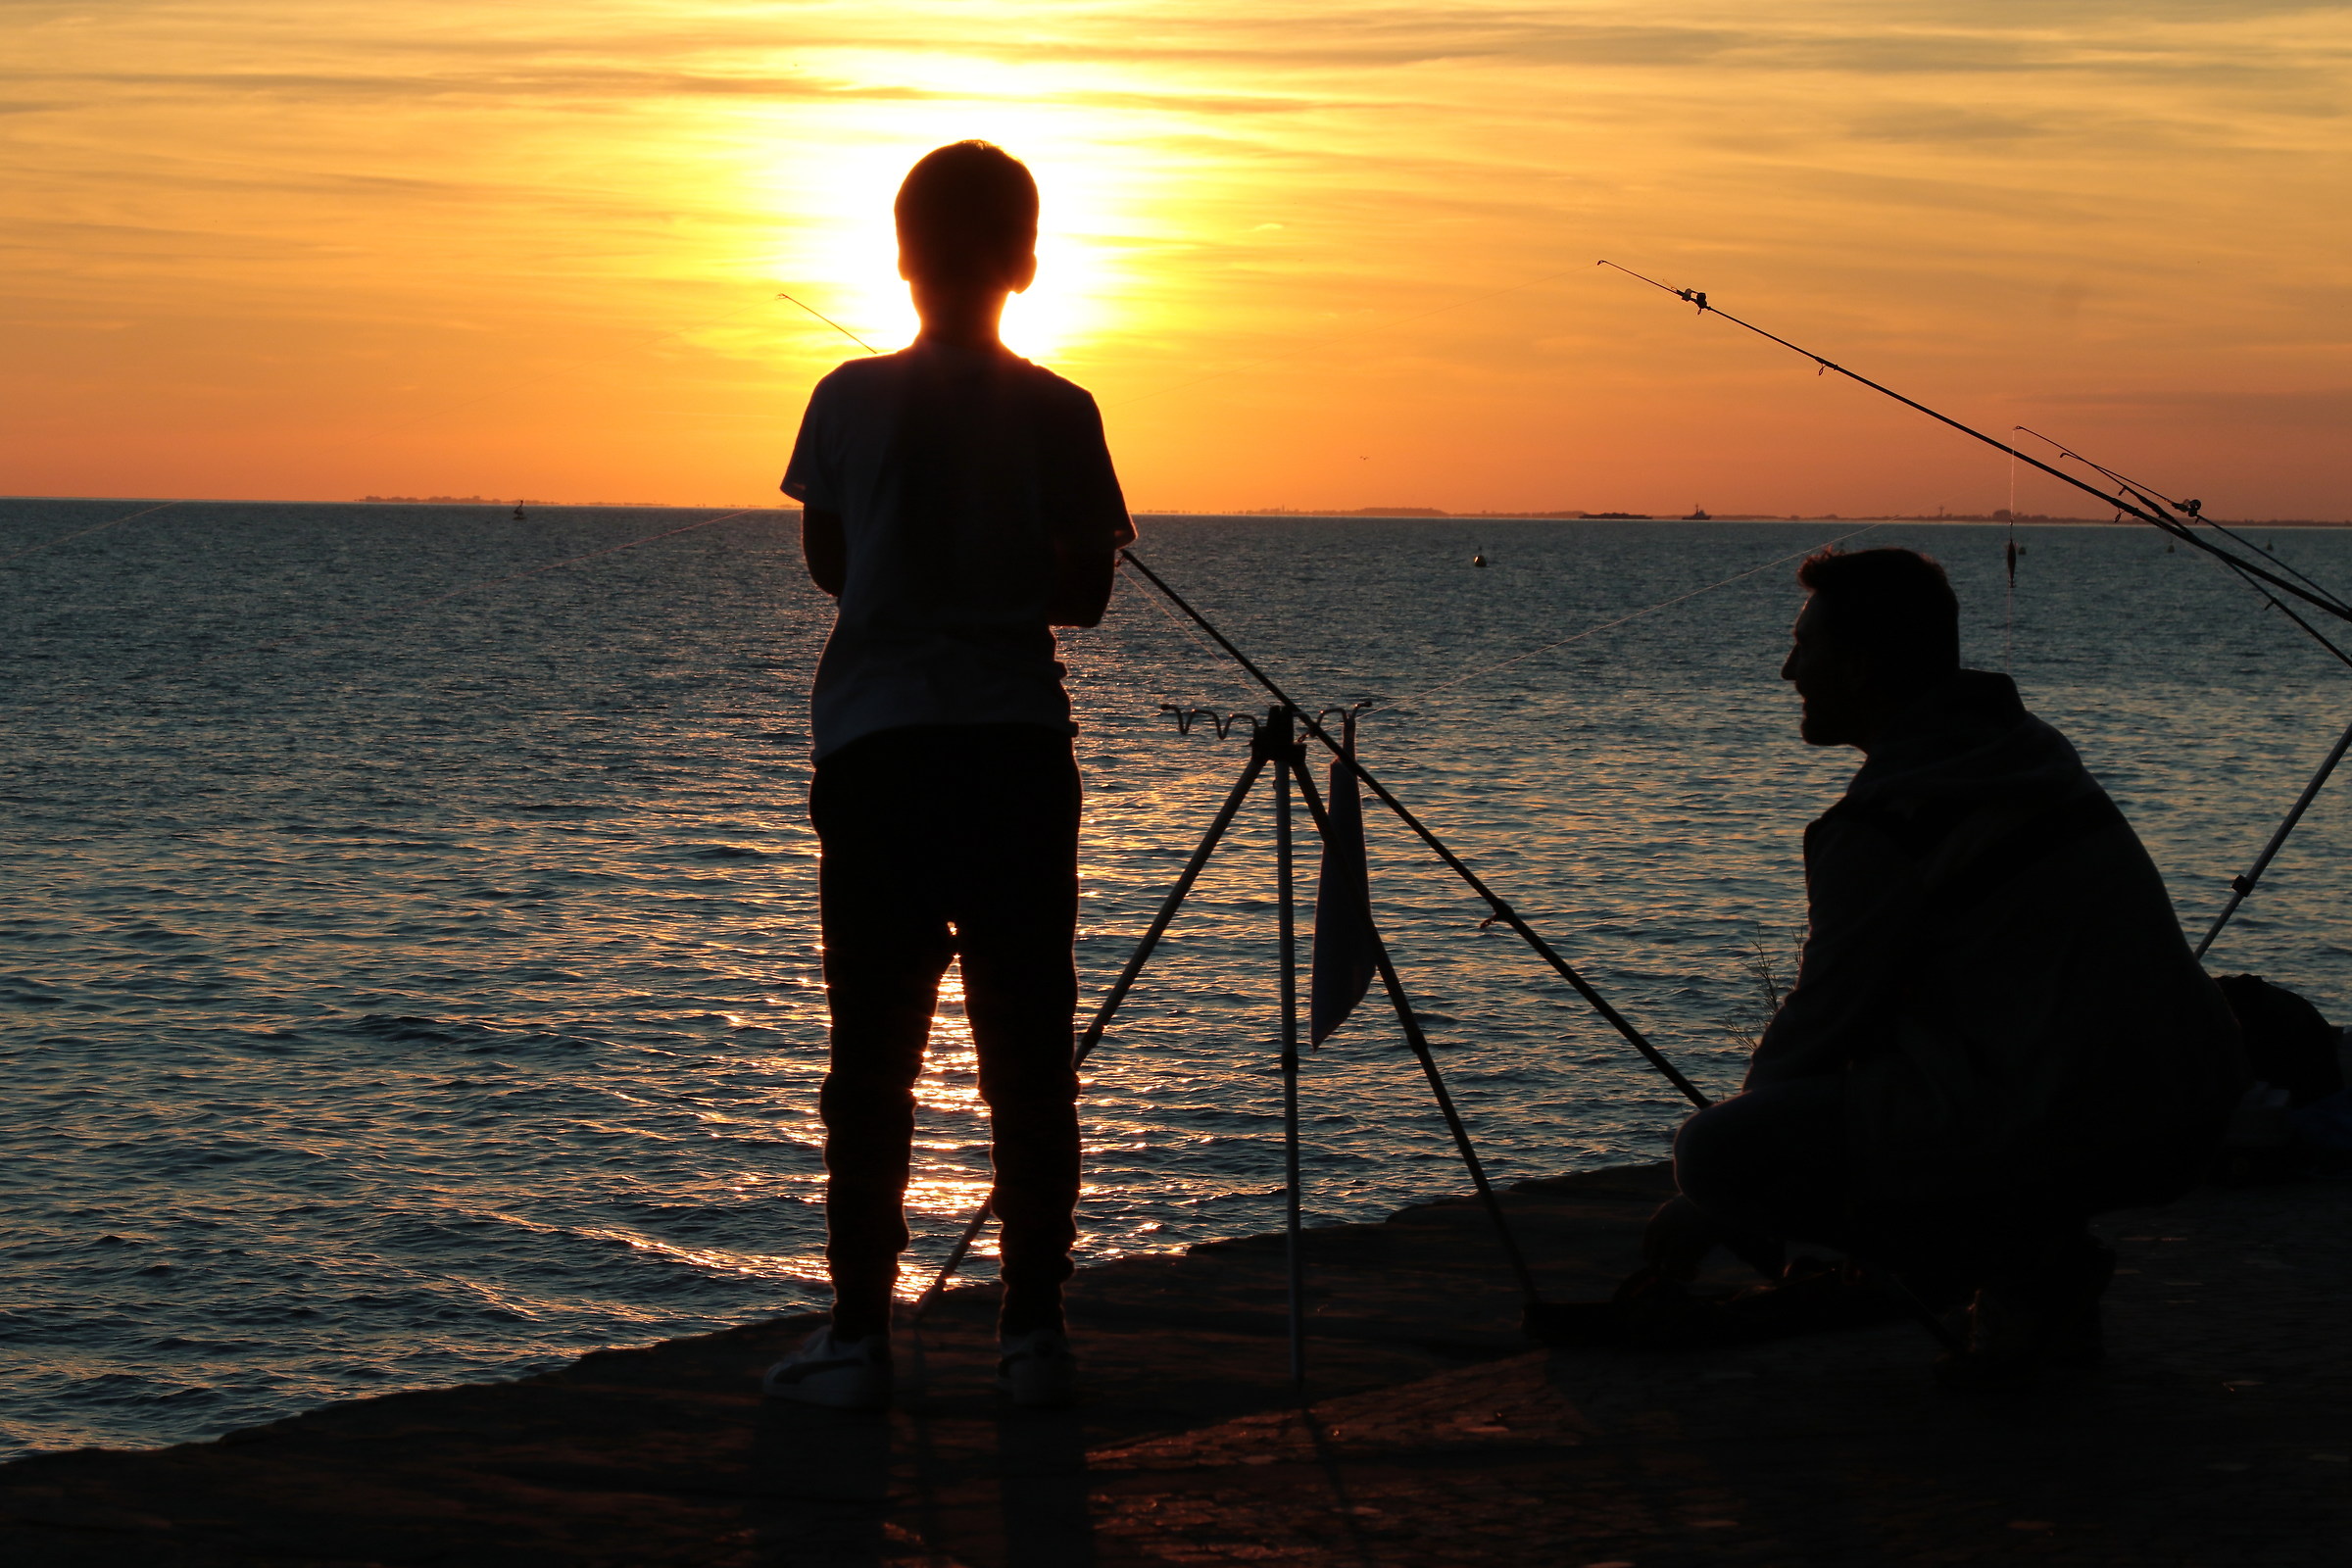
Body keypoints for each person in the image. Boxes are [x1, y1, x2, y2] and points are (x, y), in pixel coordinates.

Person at [1647, 547, 2243, 1383]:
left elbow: (1820, 1023)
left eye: (1804, 648)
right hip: (2193, 1101)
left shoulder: (1884, 826)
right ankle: (2026, 1265)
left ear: (1861, 667)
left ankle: (2004, 1270)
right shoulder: (2034, 756)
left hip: (2072, 1121)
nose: (1787, 672)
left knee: (1717, 1151)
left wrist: (1711, 1203)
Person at [761, 141, 1135, 1410]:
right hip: (1016, 752)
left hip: (877, 754)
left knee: (871, 1056)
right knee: (1028, 1051)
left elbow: (830, 565)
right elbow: (1086, 595)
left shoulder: (842, 398)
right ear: (1026, 264)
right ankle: (1034, 1332)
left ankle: (858, 1333)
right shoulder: (1064, 411)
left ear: (902, 257)